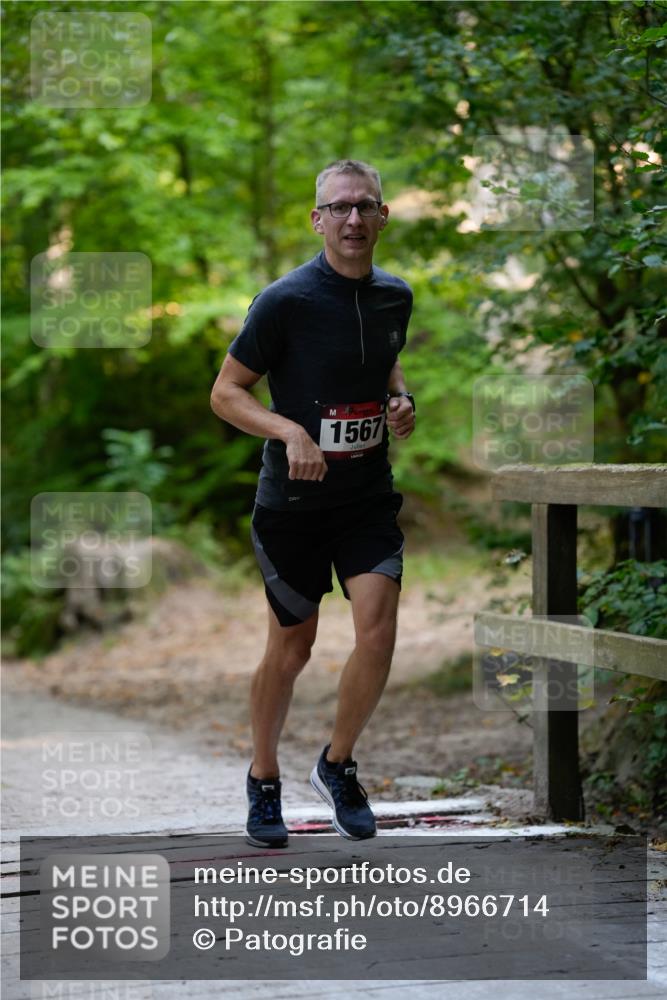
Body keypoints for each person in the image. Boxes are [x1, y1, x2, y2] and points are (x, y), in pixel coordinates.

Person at [210, 158, 415, 848]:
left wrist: (398, 397)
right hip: (292, 505)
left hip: (364, 499)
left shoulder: (395, 297)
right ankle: (263, 778)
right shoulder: (285, 301)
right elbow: (226, 393)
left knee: (377, 628)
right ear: (317, 219)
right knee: (292, 649)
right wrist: (289, 430)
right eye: (339, 207)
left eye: (365, 206)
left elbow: (382, 357)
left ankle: (337, 764)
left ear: (382, 216)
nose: (353, 219)